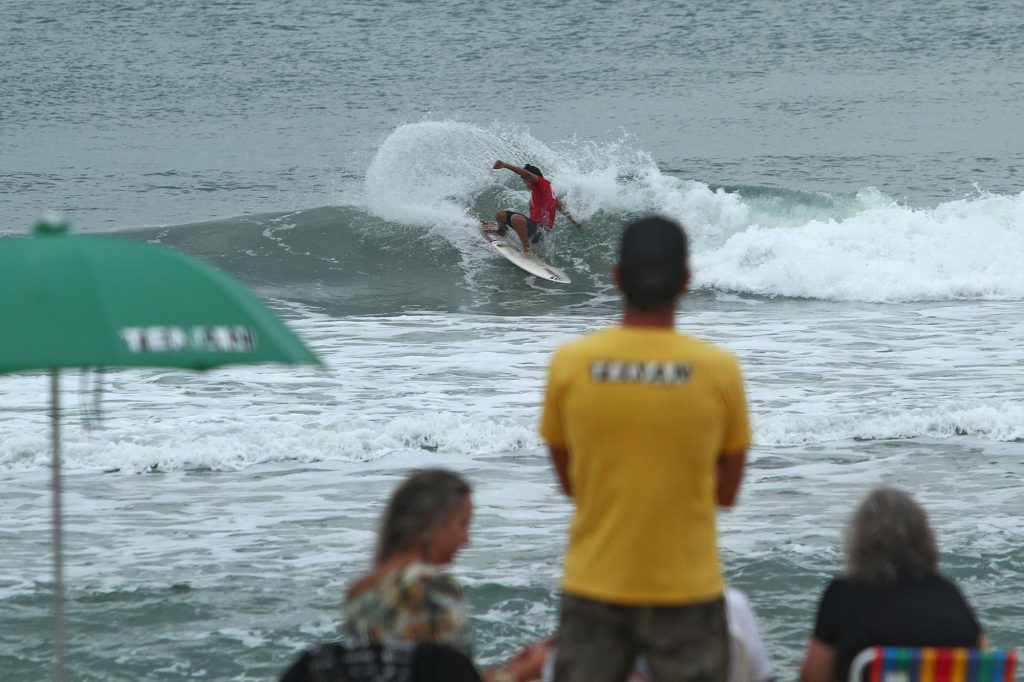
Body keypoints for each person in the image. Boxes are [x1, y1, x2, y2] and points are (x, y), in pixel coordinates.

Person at [539, 215, 752, 682]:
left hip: (594, 583)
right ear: (686, 281)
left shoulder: (570, 365)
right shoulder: (718, 370)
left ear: (616, 277)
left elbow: (573, 483)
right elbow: (728, 492)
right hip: (687, 587)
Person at [338, 469, 547, 682]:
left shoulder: (360, 590)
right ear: (434, 522)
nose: (467, 539)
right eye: (463, 525)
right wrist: (521, 671)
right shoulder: (431, 587)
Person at [798, 486, 985, 682]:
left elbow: (812, 677)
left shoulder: (842, 595)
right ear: (925, 539)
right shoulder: (949, 594)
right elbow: (984, 664)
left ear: (861, 542)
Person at [488, 160, 581, 255]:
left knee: (516, 218)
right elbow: (561, 207)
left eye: (525, 180)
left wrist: (505, 165)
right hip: (533, 227)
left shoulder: (541, 183)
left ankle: (527, 250)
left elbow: (527, 174)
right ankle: (501, 232)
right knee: (500, 215)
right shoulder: (545, 192)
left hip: (541, 231)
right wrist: (575, 223)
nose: (525, 183)